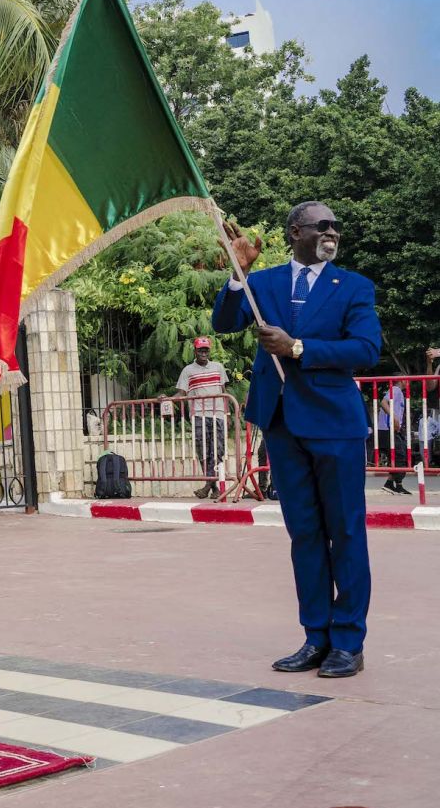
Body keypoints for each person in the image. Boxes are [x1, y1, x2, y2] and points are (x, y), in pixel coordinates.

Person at [213, 202, 380, 679]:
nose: (332, 232)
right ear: (295, 232)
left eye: (336, 226)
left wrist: (299, 348)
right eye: (321, 226)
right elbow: (224, 323)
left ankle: (349, 642)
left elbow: (366, 349)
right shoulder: (261, 283)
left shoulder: (353, 287)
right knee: (304, 535)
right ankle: (315, 637)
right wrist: (236, 273)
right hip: (282, 425)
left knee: (345, 533)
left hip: (335, 426)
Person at [172, 338, 229, 498]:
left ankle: (207, 486)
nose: (203, 353)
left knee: (217, 451)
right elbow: (181, 393)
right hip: (198, 415)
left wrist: (227, 413)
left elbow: (224, 391)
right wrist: (167, 399)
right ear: (195, 351)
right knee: (203, 451)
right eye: (200, 350)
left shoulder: (218, 367)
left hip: (217, 414)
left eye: (206, 350)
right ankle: (214, 487)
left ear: (209, 351)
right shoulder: (188, 370)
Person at [377, 378, 410, 494]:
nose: (408, 382)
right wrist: (393, 417)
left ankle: (390, 484)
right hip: (388, 429)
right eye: (406, 379)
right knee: (400, 455)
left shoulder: (398, 392)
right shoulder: (395, 389)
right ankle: (398, 486)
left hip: (391, 429)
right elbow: (383, 402)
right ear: (401, 380)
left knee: (398, 455)